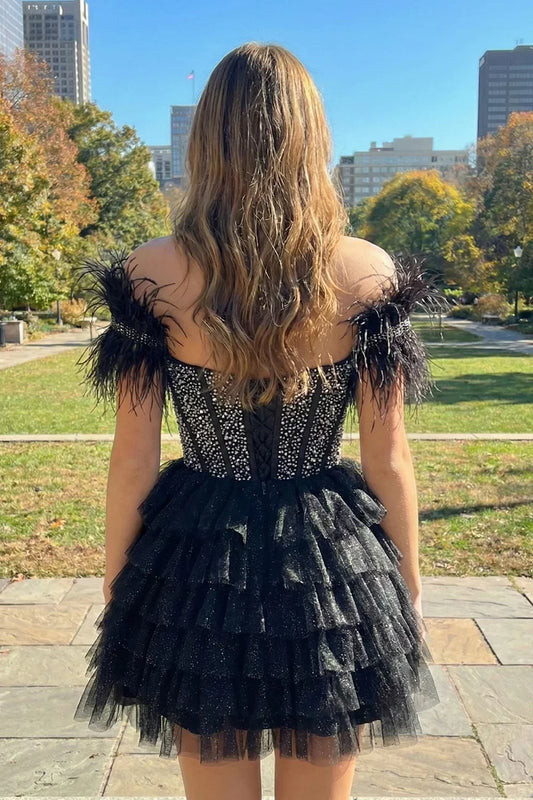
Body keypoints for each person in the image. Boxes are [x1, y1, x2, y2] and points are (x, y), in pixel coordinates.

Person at [73, 42, 446, 800]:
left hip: (196, 555)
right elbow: (389, 460)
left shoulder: (153, 272)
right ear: (312, 137)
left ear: (205, 138)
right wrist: (405, 580)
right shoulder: (366, 271)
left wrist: (119, 579)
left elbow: (133, 458)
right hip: (329, 556)